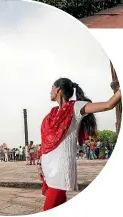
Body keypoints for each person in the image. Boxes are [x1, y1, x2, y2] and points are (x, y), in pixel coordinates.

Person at [37, 77, 121, 211]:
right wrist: (40, 164)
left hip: (61, 170)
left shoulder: (75, 107)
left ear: (59, 89)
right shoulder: (52, 114)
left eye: (52, 87)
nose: (50, 90)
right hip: (48, 168)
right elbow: (46, 143)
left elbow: (108, 105)